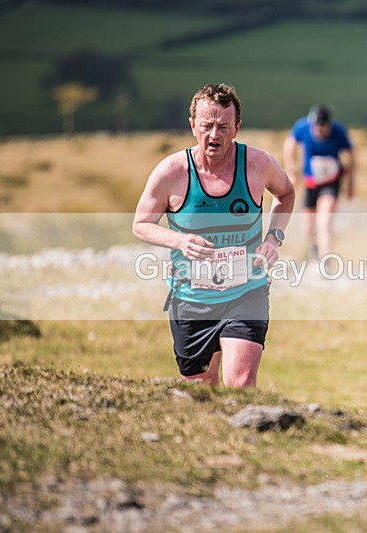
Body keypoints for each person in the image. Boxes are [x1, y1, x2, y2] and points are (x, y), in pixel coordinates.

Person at [133, 83, 294, 387]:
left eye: (223, 126)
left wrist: (273, 238)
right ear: (193, 125)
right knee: (202, 390)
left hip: (246, 291)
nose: (214, 135)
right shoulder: (171, 172)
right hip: (191, 297)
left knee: (240, 384)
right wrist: (180, 241)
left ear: (237, 128)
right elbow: (141, 223)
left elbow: (286, 193)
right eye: (207, 125)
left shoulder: (258, 164)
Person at [283, 105, 355, 262]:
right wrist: (291, 171)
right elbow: (290, 144)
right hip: (311, 183)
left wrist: (350, 184)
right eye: (317, 126)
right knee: (307, 228)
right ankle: (313, 248)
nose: (320, 130)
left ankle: (325, 259)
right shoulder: (302, 127)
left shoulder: (338, 131)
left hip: (331, 182)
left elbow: (351, 155)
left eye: (323, 127)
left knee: (325, 220)